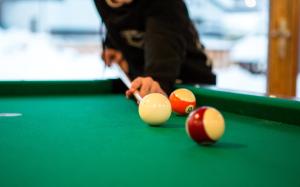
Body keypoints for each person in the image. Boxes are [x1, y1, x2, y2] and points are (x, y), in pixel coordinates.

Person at [94, 0, 216, 98]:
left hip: (191, 82)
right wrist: (113, 46)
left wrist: (156, 80)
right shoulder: (101, 2)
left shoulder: (166, 3)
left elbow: (163, 57)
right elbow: (114, 23)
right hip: (146, 80)